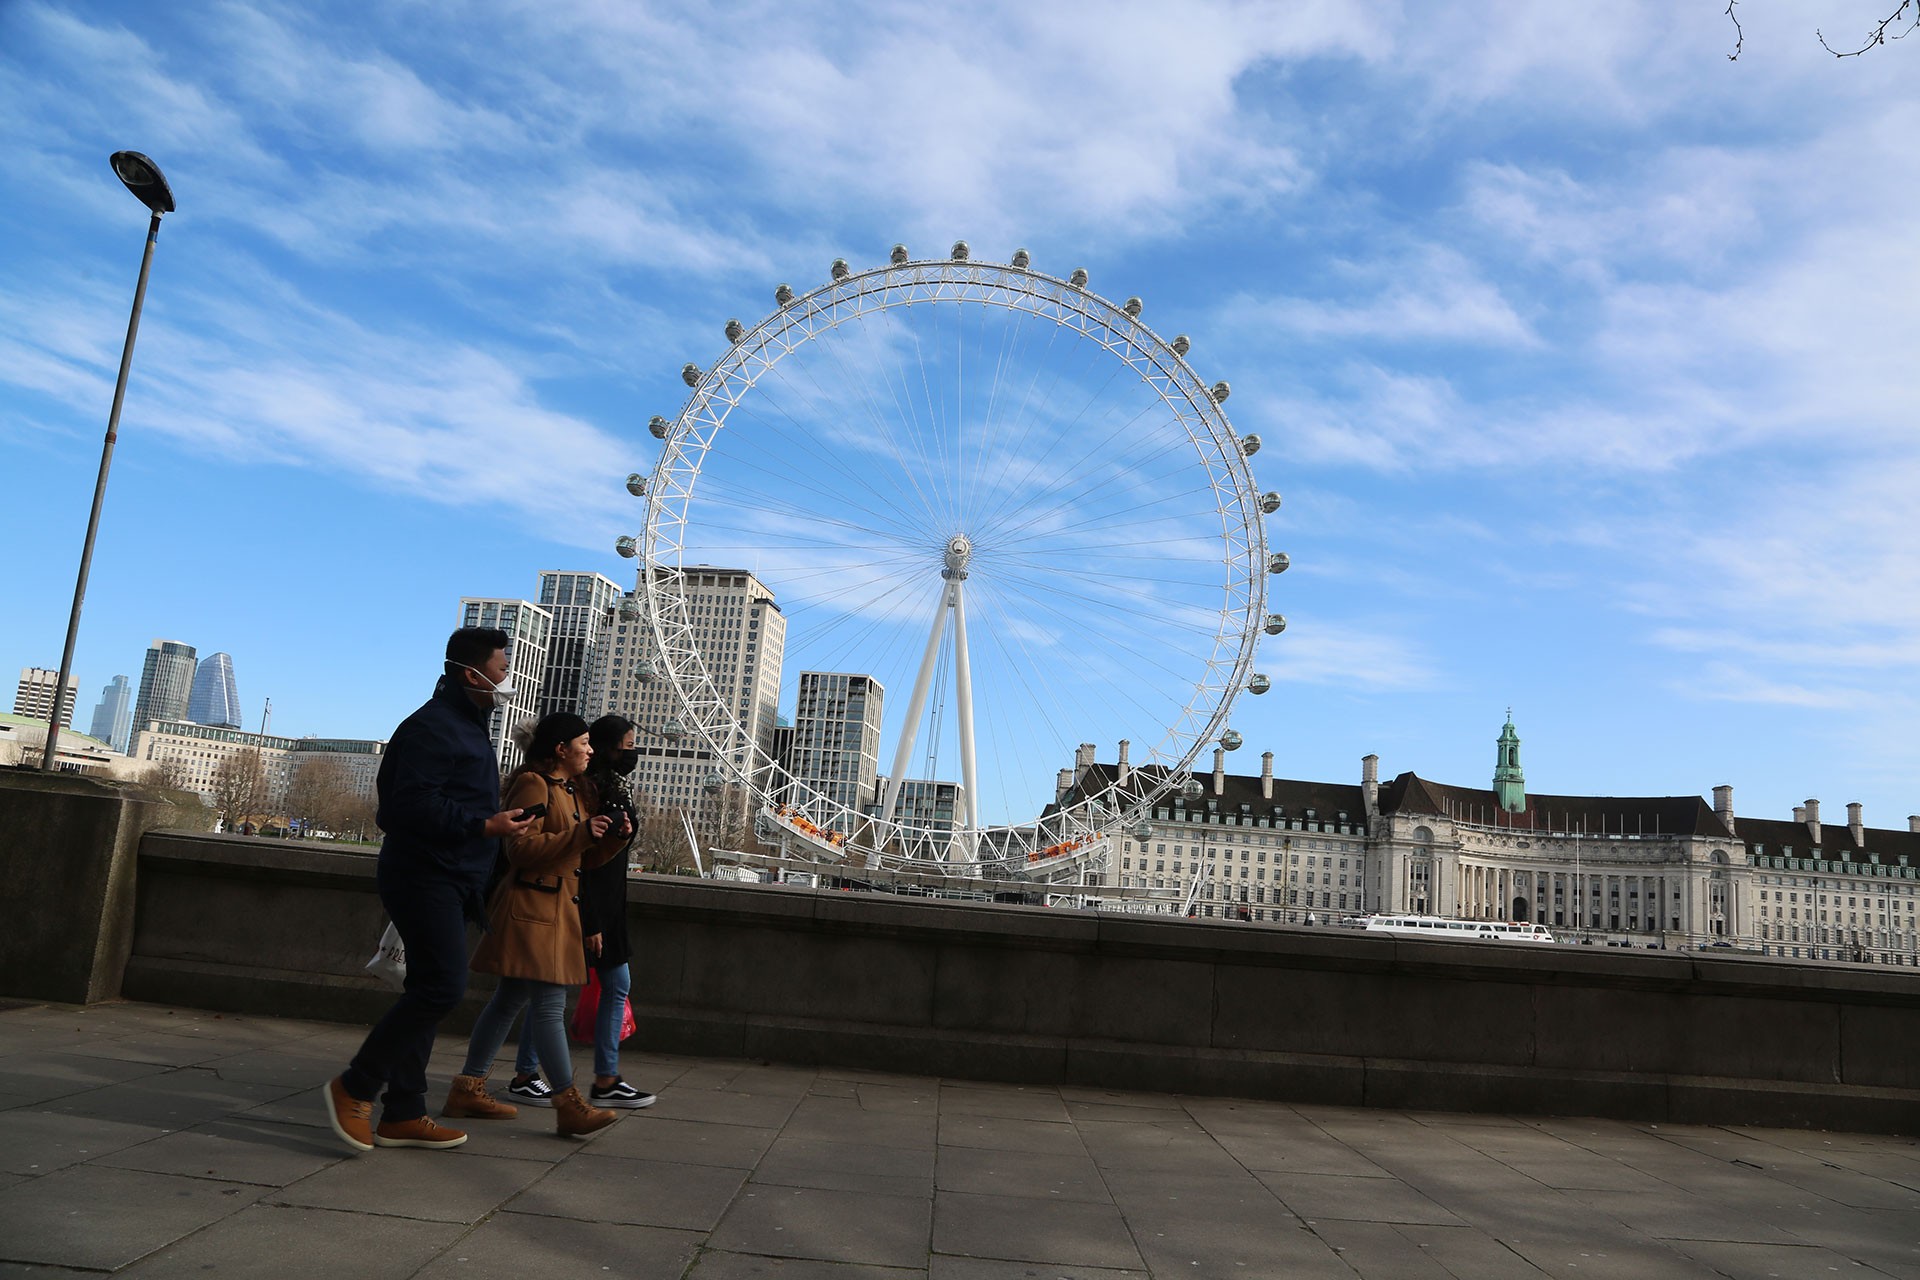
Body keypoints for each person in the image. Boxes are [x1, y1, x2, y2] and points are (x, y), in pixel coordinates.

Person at [322, 627, 536, 1153]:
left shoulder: (465, 727)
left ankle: (404, 1112)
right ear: (472, 674)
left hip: (452, 876)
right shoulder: (433, 728)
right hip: (424, 875)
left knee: (425, 988)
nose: (507, 678)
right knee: (441, 988)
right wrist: (484, 827)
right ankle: (355, 1086)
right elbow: (401, 806)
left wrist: (492, 827)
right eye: (502, 669)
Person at [447, 712, 631, 1136]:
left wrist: (612, 838)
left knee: (509, 1000)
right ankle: (568, 1103)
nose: (590, 749)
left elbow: (580, 860)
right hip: (533, 907)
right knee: (549, 1006)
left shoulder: (573, 791)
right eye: (582, 742)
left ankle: (468, 1086)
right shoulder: (535, 784)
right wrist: (584, 833)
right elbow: (520, 849)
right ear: (560, 749)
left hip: (555, 907)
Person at [576, 715, 655, 1108]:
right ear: (608, 747)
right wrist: (590, 918)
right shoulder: (591, 789)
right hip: (593, 905)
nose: (632, 751)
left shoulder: (611, 785)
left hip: (608, 903)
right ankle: (602, 1079)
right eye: (627, 744)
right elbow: (582, 861)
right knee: (541, 995)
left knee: (542, 995)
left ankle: (604, 1077)